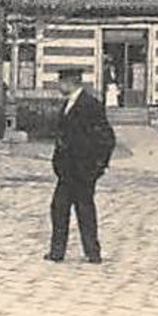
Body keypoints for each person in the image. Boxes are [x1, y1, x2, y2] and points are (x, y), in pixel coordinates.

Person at [46, 69, 114, 264]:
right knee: (59, 209)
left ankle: (93, 252)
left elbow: (106, 138)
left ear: (70, 82)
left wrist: (98, 167)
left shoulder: (90, 105)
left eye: (61, 82)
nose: (59, 86)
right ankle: (57, 252)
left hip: (83, 172)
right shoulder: (69, 103)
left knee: (85, 211)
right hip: (67, 171)